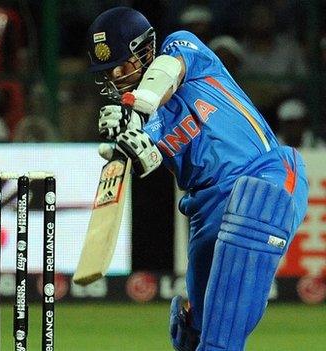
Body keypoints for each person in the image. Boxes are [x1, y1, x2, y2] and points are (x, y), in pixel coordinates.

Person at [87, 7, 308, 351]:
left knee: (222, 335)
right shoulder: (144, 123)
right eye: (108, 71)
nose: (116, 76)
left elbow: (165, 75)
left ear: (143, 50)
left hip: (264, 173)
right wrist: (128, 149)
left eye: (121, 64)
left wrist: (136, 113)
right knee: (196, 331)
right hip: (206, 210)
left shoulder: (181, 48)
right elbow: (148, 158)